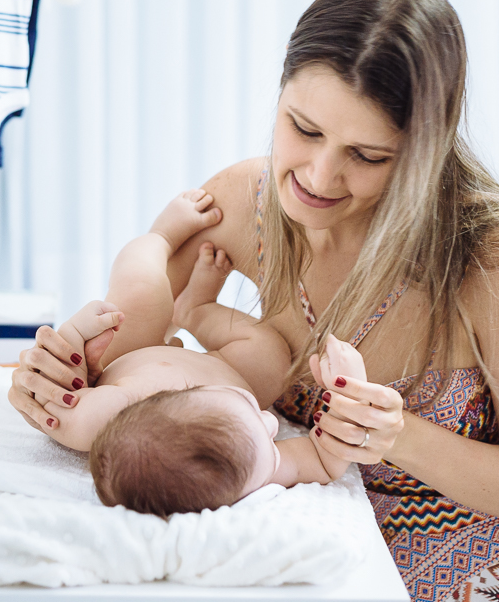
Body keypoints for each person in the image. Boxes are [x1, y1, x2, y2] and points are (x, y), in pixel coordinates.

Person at [10, 0, 499, 602]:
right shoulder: (240, 205)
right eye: (304, 129)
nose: (320, 177)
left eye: (368, 156)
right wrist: (60, 377)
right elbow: (134, 363)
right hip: (315, 565)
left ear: (425, 152)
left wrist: (396, 435)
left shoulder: (492, 261)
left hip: (489, 567)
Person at [32, 189, 366, 516]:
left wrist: (75, 335)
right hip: (223, 368)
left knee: (141, 290)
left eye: (254, 414)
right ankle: (196, 310)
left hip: (134, 354)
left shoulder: (101, 417)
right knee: (271, 359)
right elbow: (324, 461)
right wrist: (349, 394)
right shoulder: (256, 468)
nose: (271, 422)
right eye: (269, 436)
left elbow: (58, 393)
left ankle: (161, 238)